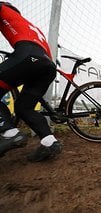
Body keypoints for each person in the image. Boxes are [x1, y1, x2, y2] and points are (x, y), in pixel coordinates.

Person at [0, 2, 62, 161]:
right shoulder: (28, 25)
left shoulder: (2, 8)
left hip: (28, 55)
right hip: (47, 65)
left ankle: (9, 132)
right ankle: (50, 142)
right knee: (23, 107)